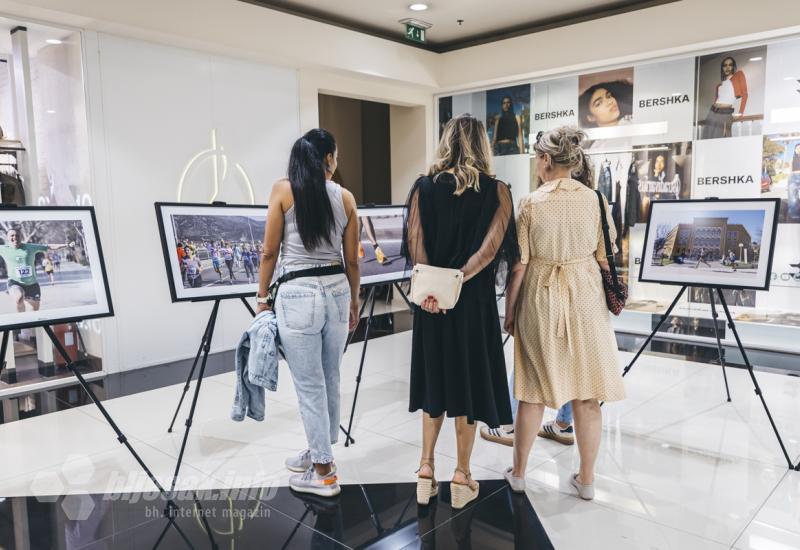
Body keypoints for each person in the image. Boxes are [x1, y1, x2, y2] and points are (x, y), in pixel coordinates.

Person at [502, 126, 626, 499]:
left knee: (532, 390)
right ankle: (586, 480)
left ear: (544, 159)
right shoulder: (596, 200)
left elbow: (520, 265)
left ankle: (520, 473)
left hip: (541, 296)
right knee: (587, 394)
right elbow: (605, 257)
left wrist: (509, 312)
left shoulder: (529, 203)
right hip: (585, 296)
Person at [403, 114, 518, 510]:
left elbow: (416, 244)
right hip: (472, 305)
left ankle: (425, 468)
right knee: (467, 389)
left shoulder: (422, 188)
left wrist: (434, 287)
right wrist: (458, 280)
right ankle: (462, 476)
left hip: (431, 304)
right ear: (483, 145)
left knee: (435, 383)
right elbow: (491, 250)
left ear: (446, 142)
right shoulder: (498, 192)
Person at [255, 128, 360, 498]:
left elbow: (269, 252)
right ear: (328, 158)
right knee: (330, 376)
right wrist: (355, 300)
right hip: (336, 290)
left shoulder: (283, 190)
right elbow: (352, 261)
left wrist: (262, 297)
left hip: (298, 294)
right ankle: (322, 450)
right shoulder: (346, 198)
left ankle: (324, 472)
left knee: (309, 386)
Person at [0, 227, 72, 313]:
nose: (15, 237)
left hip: (32, 284)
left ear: (21, 237)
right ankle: (21, 320)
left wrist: (66, 245)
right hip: (14, 282)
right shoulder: (3, 249)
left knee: (34, 312)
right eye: (12, 236)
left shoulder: (30, 247)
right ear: (7, 238)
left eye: (17, 235)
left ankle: (30, 325)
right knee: (18, 298)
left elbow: (49, 246)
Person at [703, 56, 748, 139]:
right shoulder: (719, 85)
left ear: (733, 66)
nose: (727, 67)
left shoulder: (739, 75)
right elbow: (716, 100)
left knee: (721, 138)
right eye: (725, 65)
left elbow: (745, 95)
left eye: (730, 65)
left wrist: (741, 113)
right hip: (712, 112)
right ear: (722, 68)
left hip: (725, 112)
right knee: (707, 137)